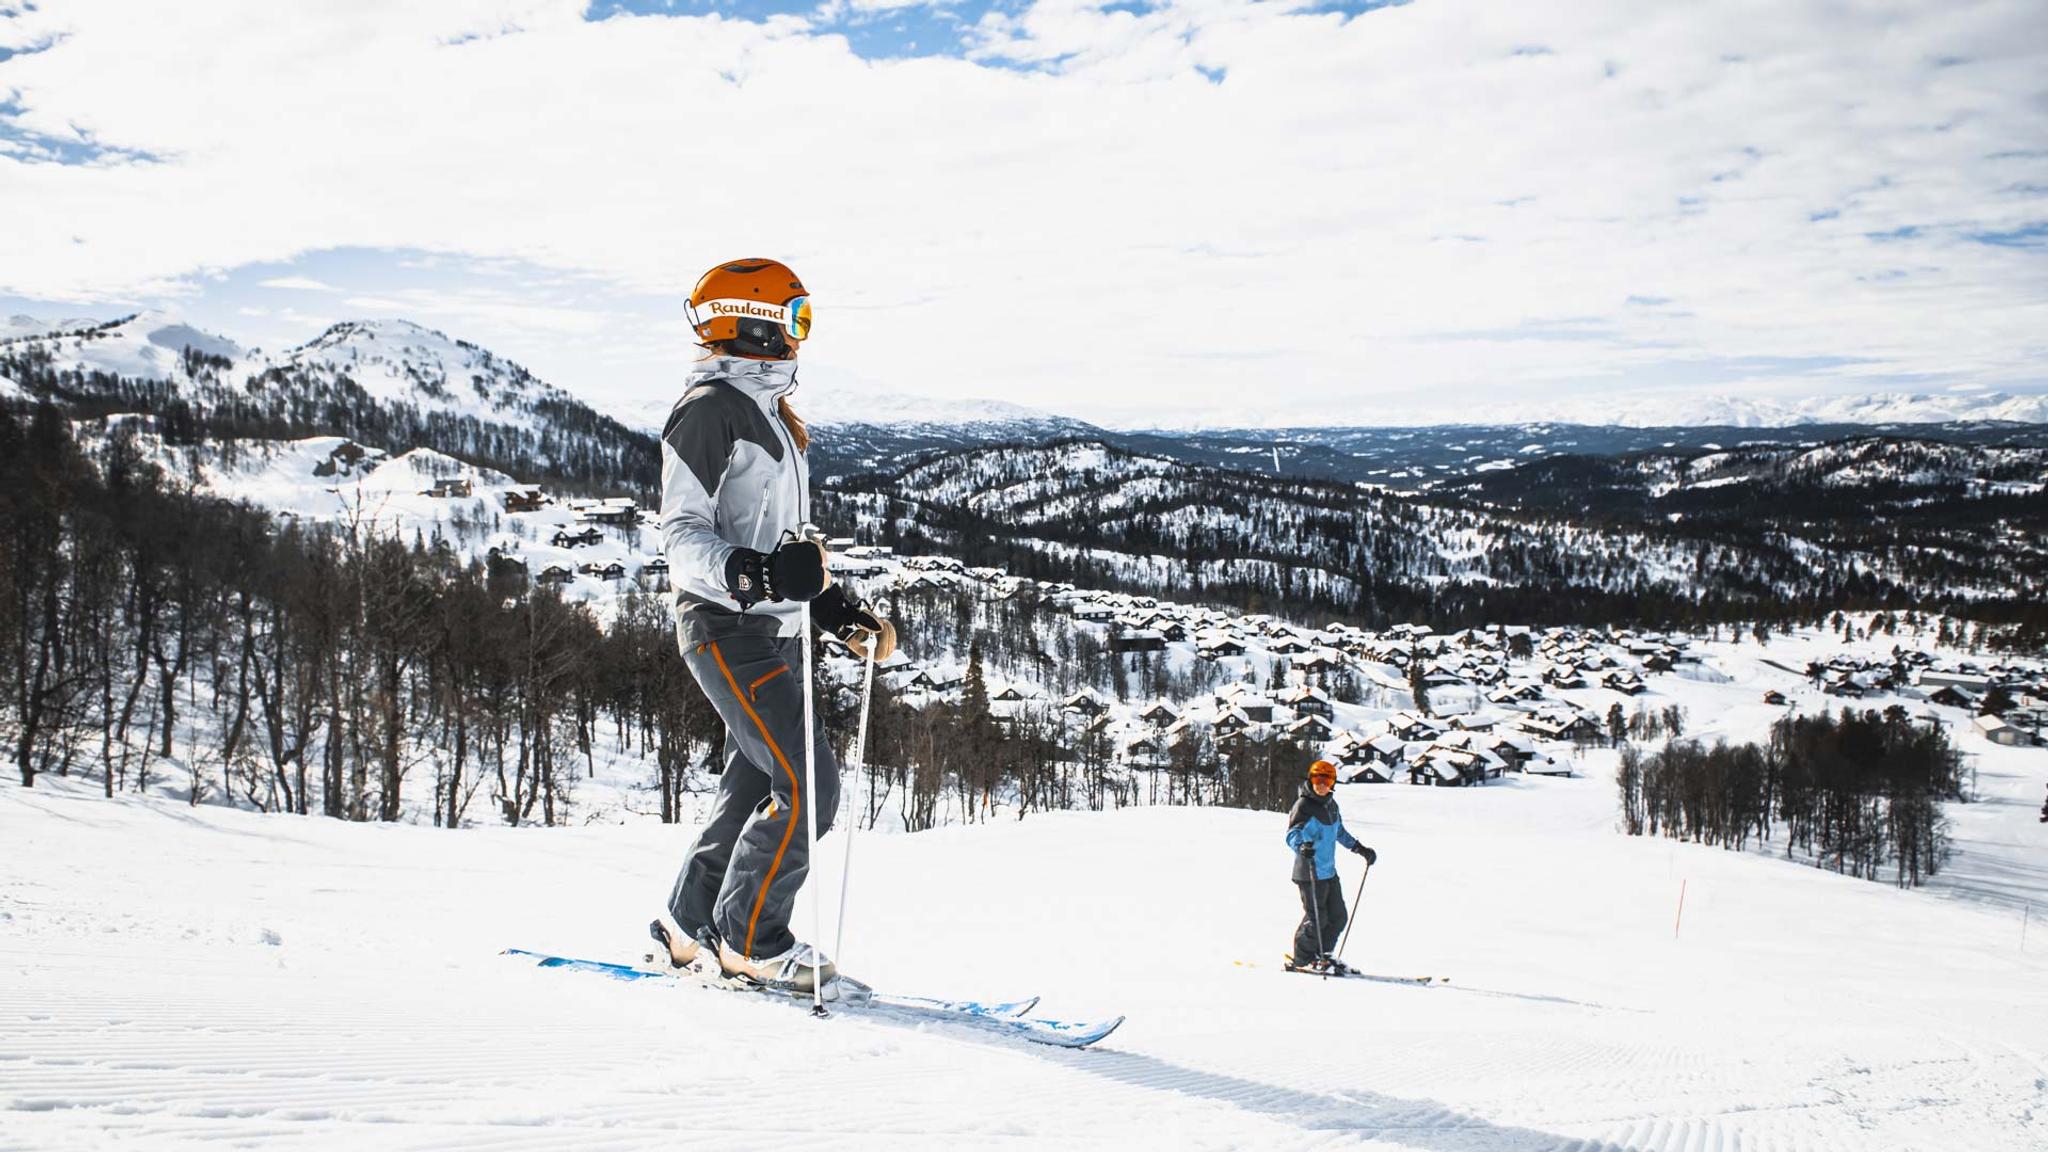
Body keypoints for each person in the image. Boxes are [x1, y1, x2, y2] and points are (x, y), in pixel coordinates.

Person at [647, 257, 897, 993]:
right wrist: (752, 576)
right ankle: (752, 941)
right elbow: (681, 536)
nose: (801, 337)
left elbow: (785, 546)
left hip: (773, 631)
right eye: (796, 320)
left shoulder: (769, 415)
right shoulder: (710, 409)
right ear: (750, 321)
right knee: (809, 785)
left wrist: (831, 607)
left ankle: (686, 929)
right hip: (726, 628)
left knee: (754, 786)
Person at [1284, 759, 1375, 972]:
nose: (1321, 784)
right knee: (1317, 919)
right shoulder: (1304, 805)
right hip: (1309, 871)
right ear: (1311, 779)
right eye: (1317, 779)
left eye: (1327, 780)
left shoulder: (1331, 805)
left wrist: (1360, 849)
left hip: (1328, 871)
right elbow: (1292, 833)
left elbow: (1339, 832)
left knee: (1338, 917)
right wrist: (1302, 846)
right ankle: (1302, 959)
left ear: (1333, 783)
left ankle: (1322, 955)